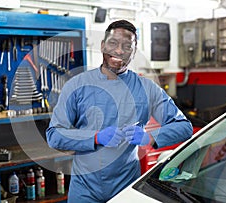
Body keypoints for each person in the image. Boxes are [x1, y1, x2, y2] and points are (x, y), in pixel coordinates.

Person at [46, 20, 193, 203]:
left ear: (133, 52)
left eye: (127, 46)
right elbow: (54, 135)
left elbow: (184, 127)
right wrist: (96, 137)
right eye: (113, 43)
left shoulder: (147, 89)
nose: (119, 51)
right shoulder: (77, 85)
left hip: (125, 187)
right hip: (84, 188)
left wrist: (150, 137)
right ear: (102, 45)